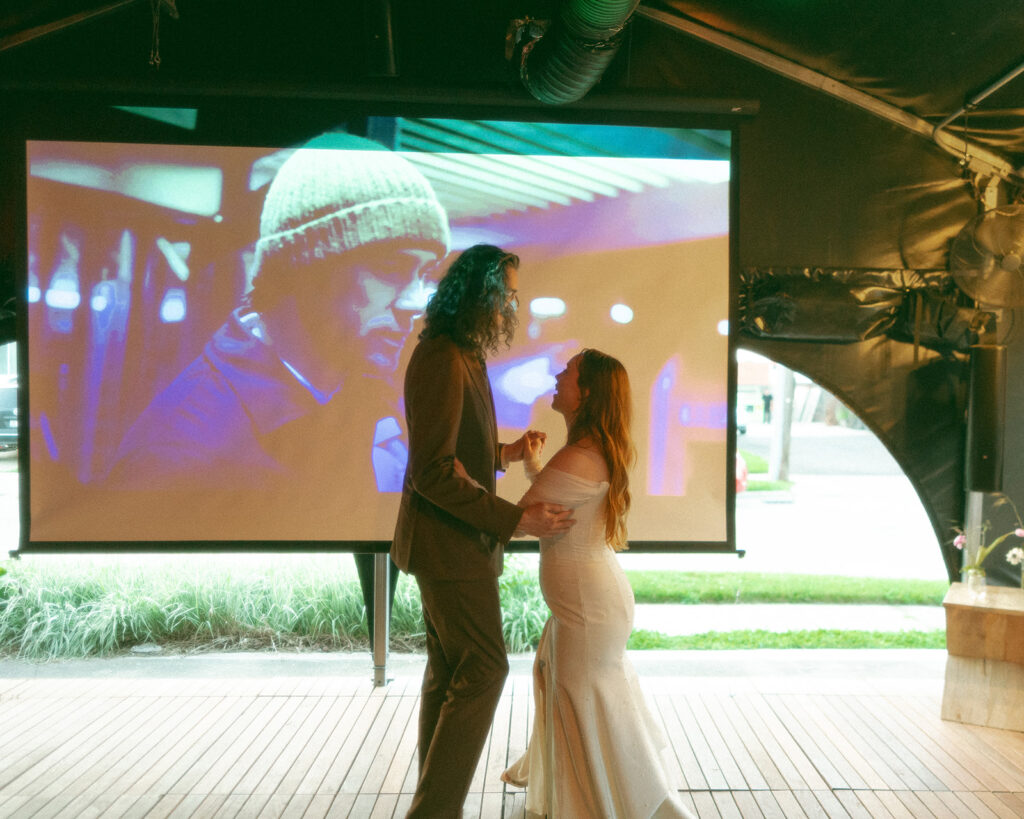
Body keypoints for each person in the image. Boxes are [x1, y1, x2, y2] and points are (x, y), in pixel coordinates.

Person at [105, 133, 450, 636]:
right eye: (392, 267)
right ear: (304, 266)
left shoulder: (364, 390)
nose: (415, 301)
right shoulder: (178, 452)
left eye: (424, 273)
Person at [390, 244, 575, 818]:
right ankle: (435, 810)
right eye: (507, 294)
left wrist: (504, 452)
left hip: (450, 547)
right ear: (479, 294)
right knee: (487, 668)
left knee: (449, 673)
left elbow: (453, 450)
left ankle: (432, 805)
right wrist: (515, 517)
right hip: (449, 548)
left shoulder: (461, 352)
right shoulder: (444, 357)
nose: (513, 306)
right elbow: (432, 472)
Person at [501, 348, 695, 818]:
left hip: (588, 609)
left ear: (585, 392)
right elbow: (551, 504)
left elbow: (520, 517)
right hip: (588, 604)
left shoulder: (582, 456)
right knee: (581, 704)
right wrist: (532, 465)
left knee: (583, 706)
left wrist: (484, 490)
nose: (557, 375)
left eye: (566, 372)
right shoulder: (583, 454)